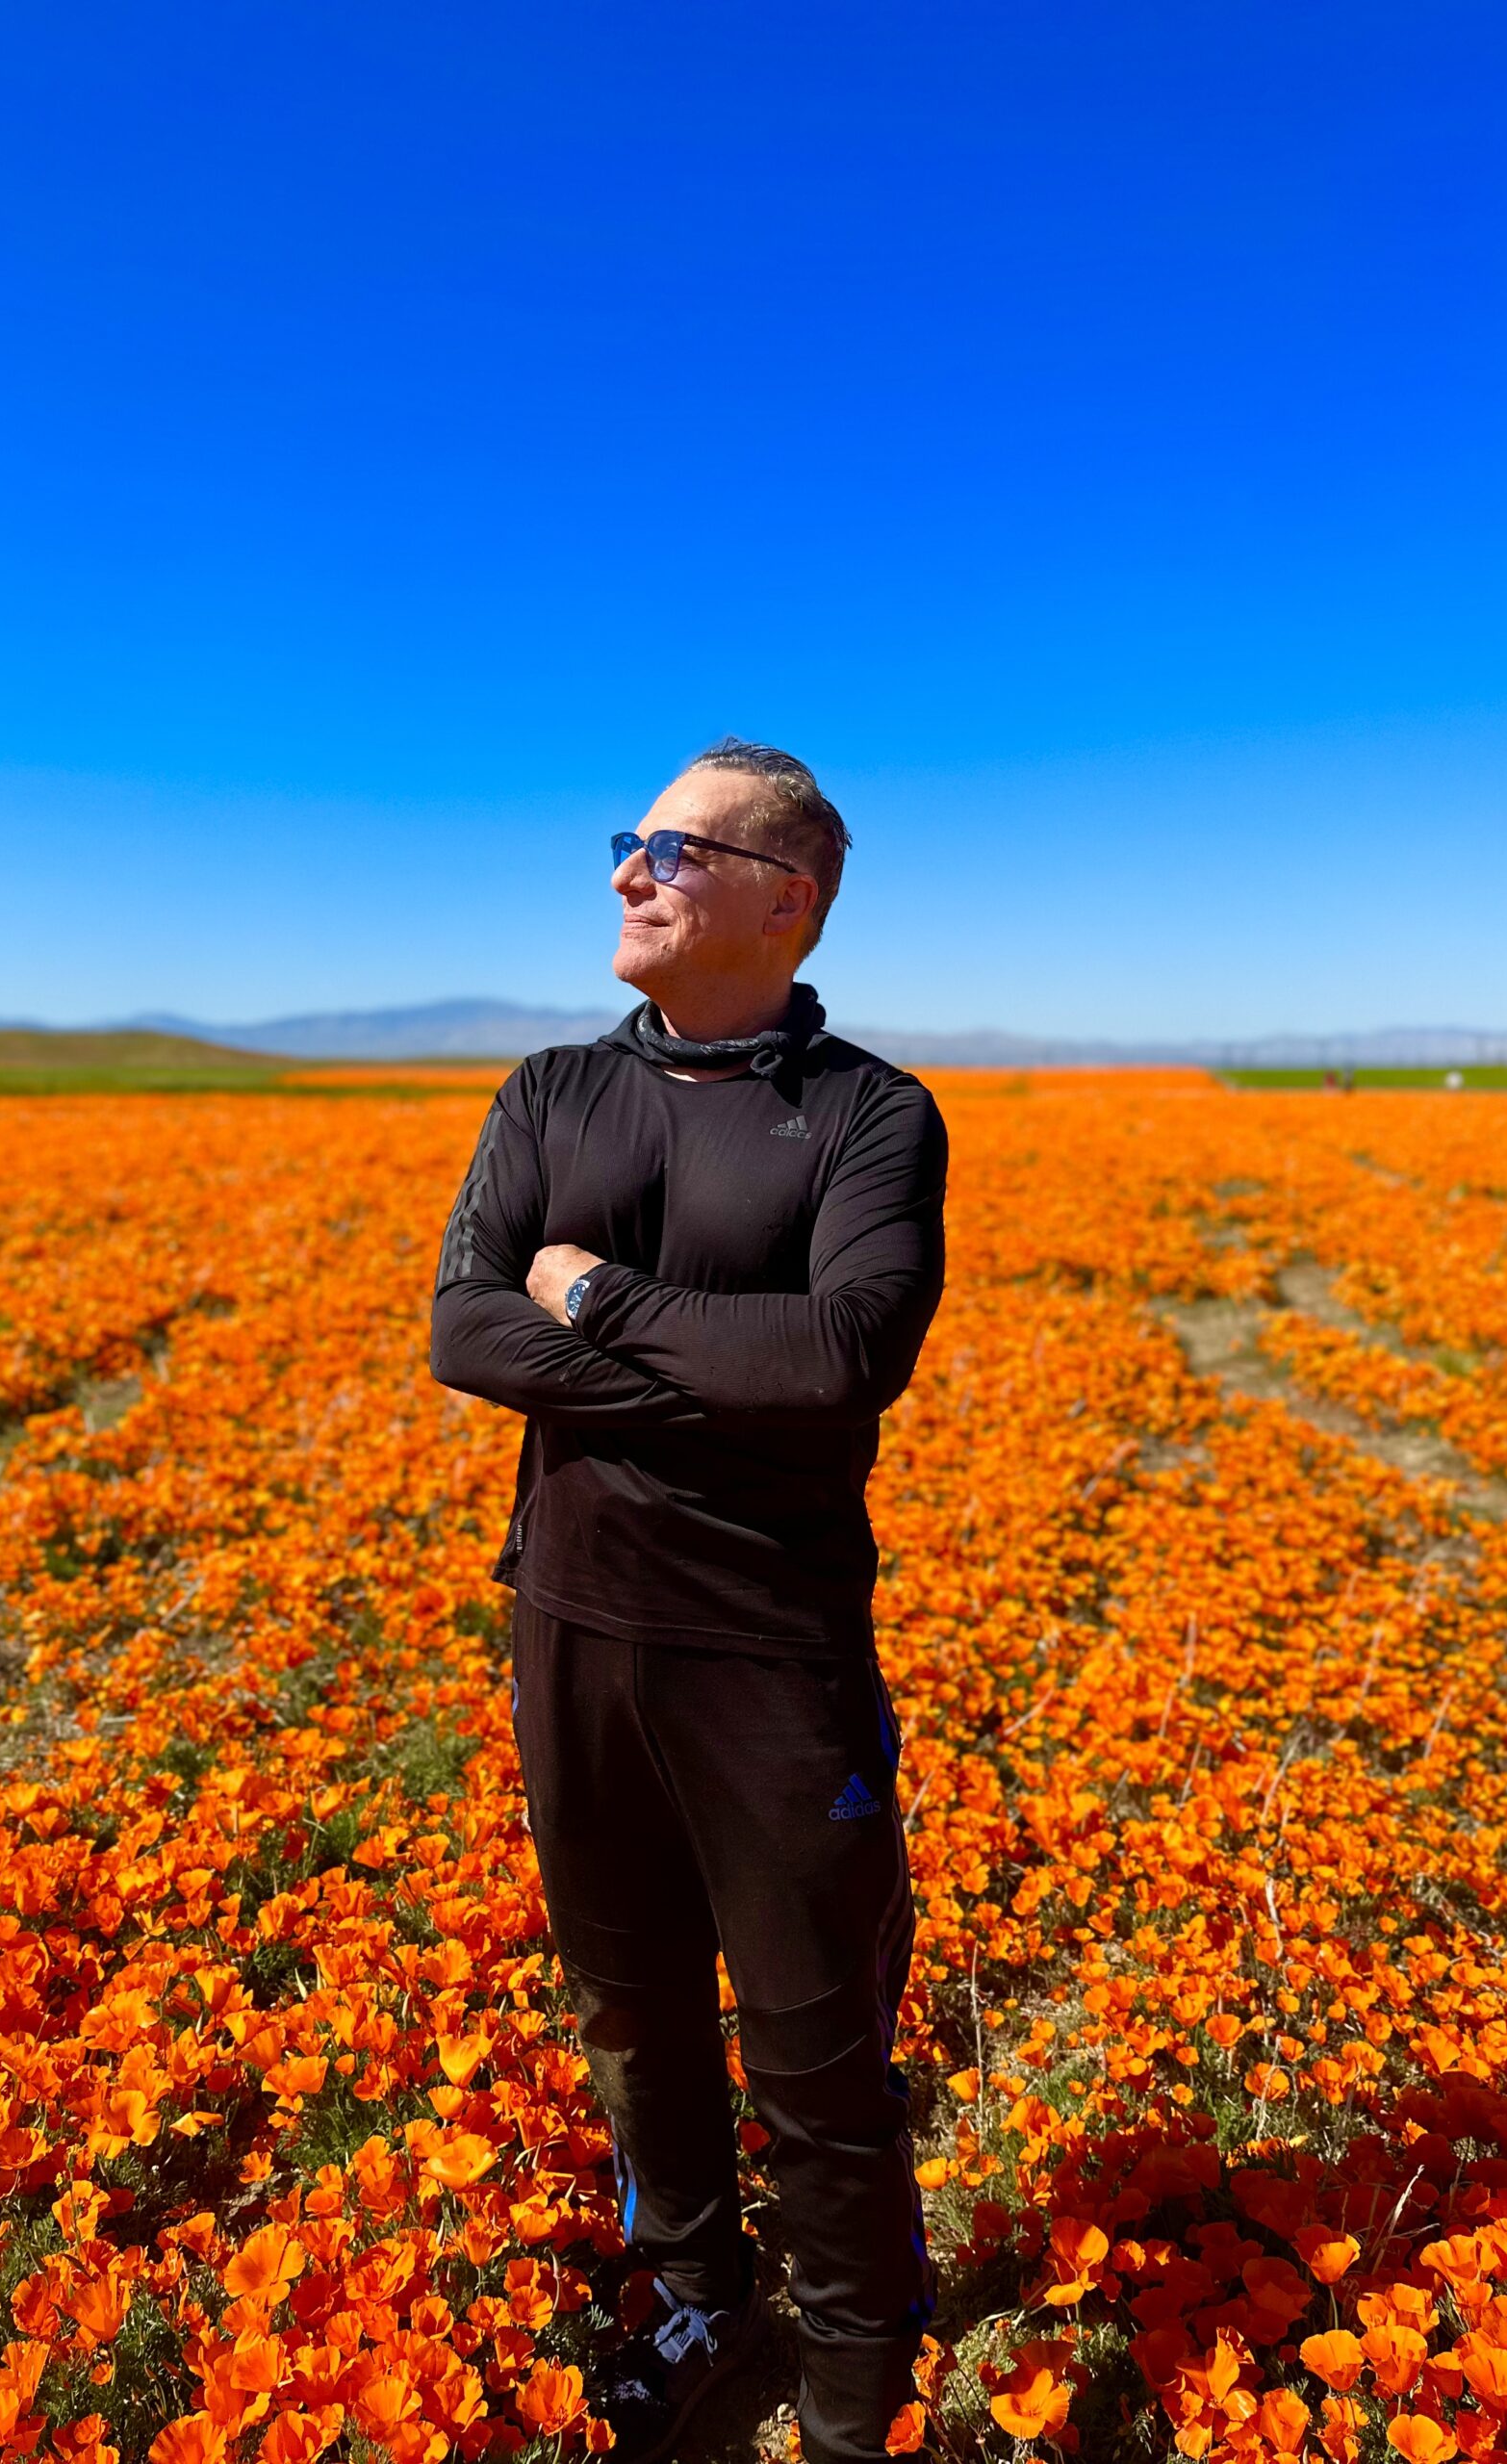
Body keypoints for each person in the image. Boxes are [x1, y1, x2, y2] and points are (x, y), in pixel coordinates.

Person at [430, 739, 949, 2464]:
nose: (624, 875)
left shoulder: (873, 1116)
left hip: (772, 1648)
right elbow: (461, 1330)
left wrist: (591, 1305)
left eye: (669, 849)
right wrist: (710, 1372)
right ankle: (696, 2291)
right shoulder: (551, 1091)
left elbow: (844, 1354)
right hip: (571, 1619)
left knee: (816, 2040)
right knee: (632, 2004)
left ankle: (866, 2378)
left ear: (784, 899)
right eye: (624, 844)